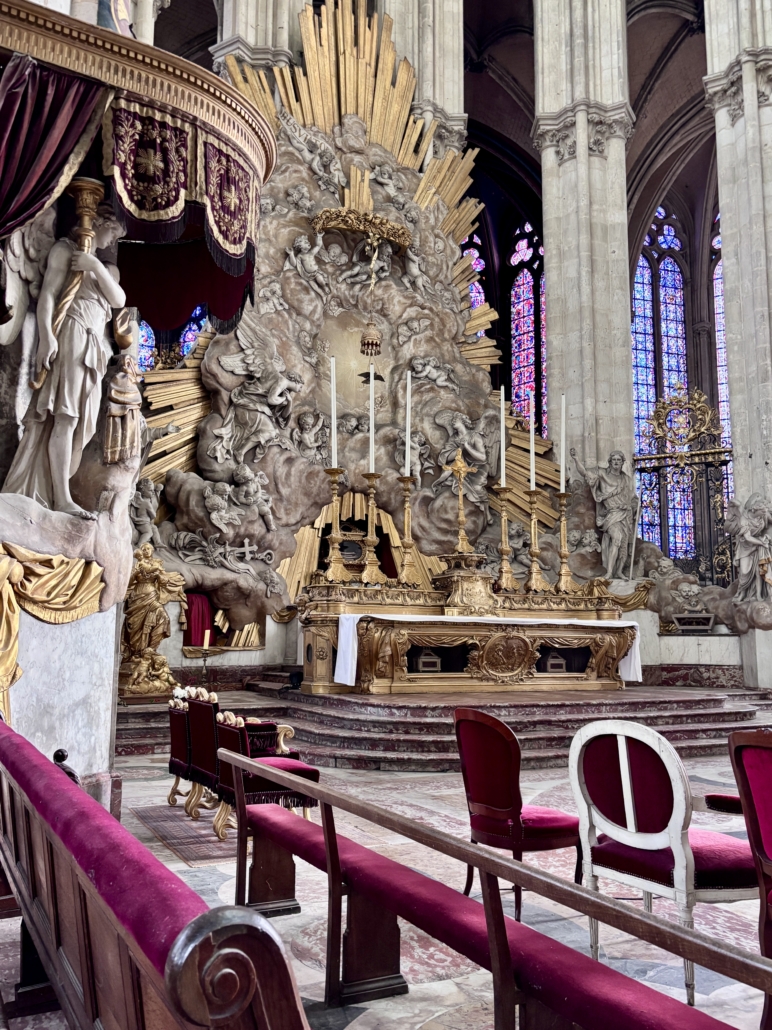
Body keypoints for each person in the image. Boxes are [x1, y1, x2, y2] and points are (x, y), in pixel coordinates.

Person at [2, 204, 126, 518]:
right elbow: (48, 295)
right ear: (98, 222)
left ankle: (57, 491)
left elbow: (119, 300)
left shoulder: (101, 266)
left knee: (84, 425)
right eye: (113, 233)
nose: (112, 241)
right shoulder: (64, 250)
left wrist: (93, 265)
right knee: (66, 417)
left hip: (94, 348)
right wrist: (46, 337)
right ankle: (61, 498)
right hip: (72, 335)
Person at [570, 449, 637, 579]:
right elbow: (585, 473)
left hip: (625, 514)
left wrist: (636, 506)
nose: (616, 462)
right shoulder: (602, 474)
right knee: (616, 538)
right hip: (611, 514)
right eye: (614, 460)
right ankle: (609, 572)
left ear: (622, 462)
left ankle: (619, 571)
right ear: (610, 462)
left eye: (619, 460)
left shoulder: (626, 479)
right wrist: (576, 458)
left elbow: (632, 498)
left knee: (623, 545)